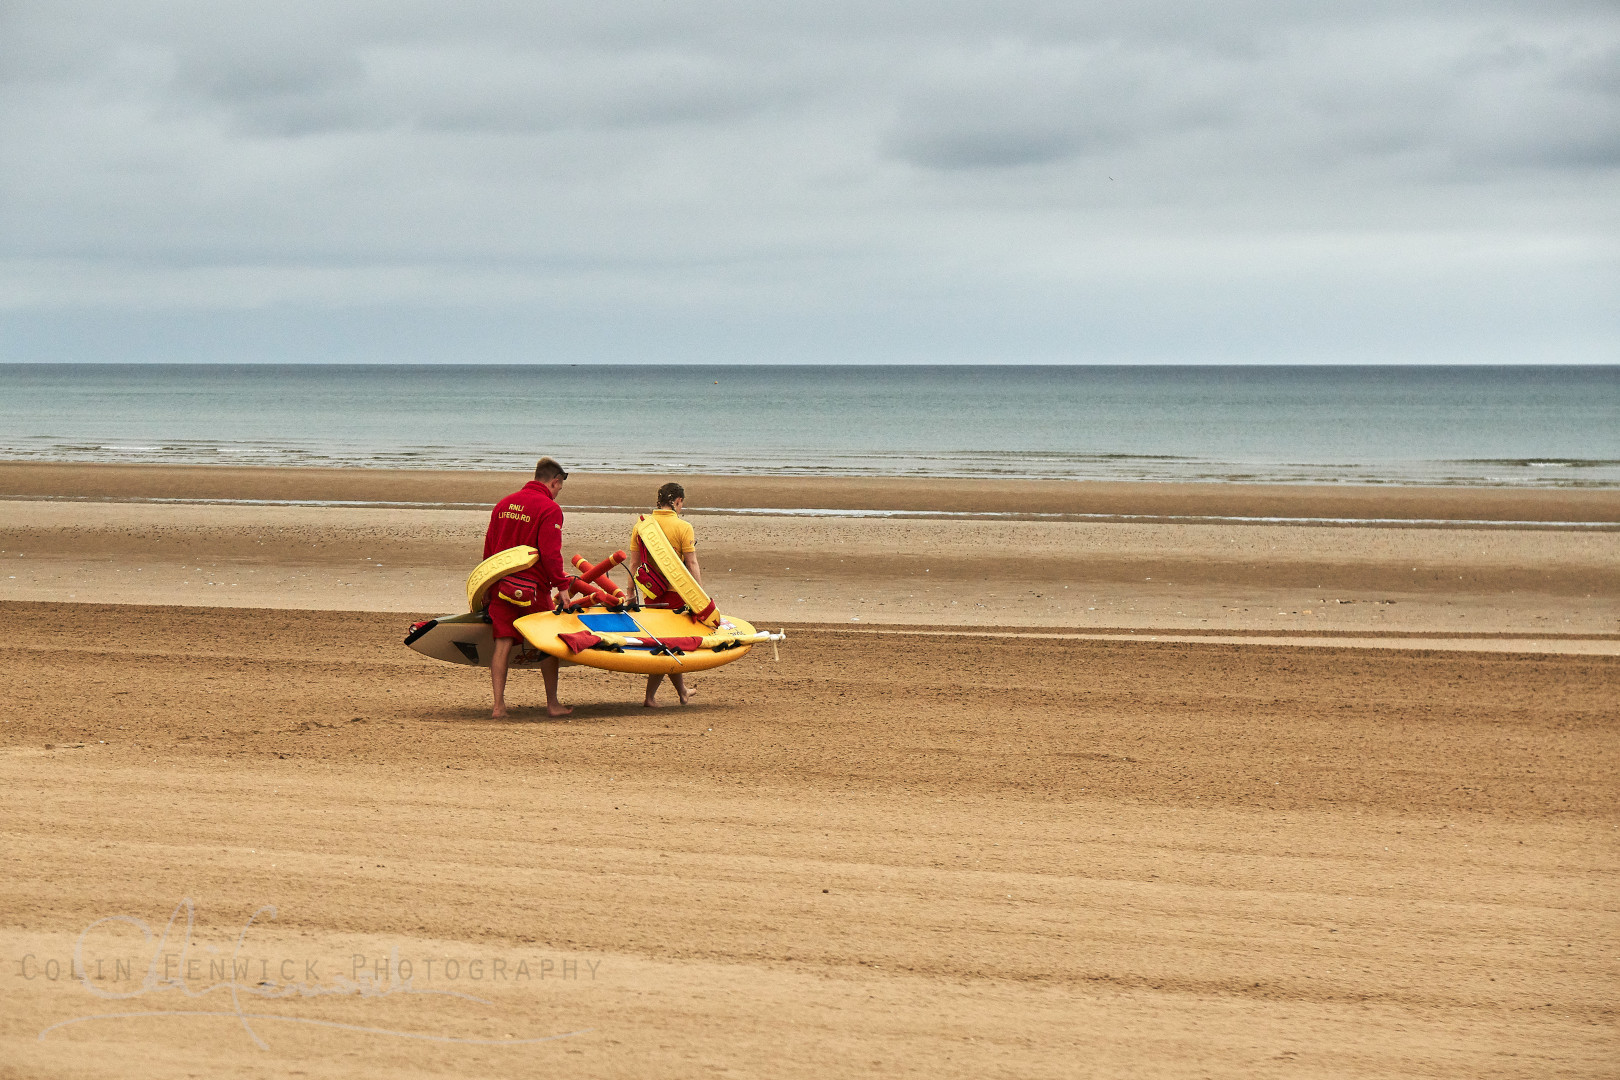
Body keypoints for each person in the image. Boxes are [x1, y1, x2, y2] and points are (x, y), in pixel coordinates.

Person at [483, 458, 575, 719]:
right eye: (559, 488)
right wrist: (562, 586)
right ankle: (552, 704)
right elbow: (550, 553)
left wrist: (486, 588)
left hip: (501, 585)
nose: (557, 493)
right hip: (533, 589)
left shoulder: (503, 504)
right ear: (554, 481)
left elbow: (489, 548)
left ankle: (498, 707)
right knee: (547, 643)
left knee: (502, 643)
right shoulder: (549, 509)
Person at [626, 482, 702, 708]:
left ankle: (682, 691)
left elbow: (634, 564)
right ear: (678, 501)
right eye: (681, 504)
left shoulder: (642, 526)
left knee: (665, 642)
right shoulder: (683, 527)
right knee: (668, 645)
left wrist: (630, 593)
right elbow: (692, 563)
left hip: (651, 593)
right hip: (676, 594)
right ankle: (650, 698)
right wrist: (700, 596)